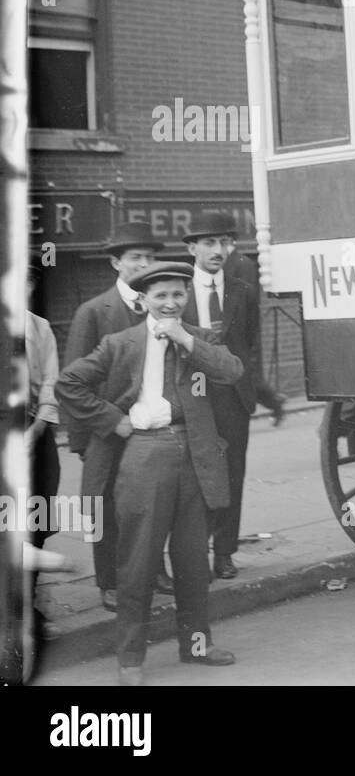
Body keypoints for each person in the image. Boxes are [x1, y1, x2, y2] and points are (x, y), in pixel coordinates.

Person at [56, 262, 243, 686]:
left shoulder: (201, 338)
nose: (171, 302)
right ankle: (131, 659)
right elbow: (69, 383)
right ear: (143, 301)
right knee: (137, 561)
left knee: (193, 560)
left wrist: (186, 339)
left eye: (178, 294)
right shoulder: (119, 343)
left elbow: (231, 371)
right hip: (144, 454)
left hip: (196, 456)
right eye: (161, 296)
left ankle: (196, 646)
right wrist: (111, 420)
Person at [61, 221, 171, 611]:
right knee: (103, 504)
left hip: (149, 429)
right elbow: (71, 380)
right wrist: (86, 438)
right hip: (107, 430)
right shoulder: (93, 312)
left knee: (151, 501)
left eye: (150, 256)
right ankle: (109, 582)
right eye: (135, 257)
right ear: (115, 263)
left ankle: (154, 570)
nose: (144, 263)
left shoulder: (160, 307)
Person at [181, 212, 261, 579]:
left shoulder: (242, 291)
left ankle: (224, 553)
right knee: (193, 478)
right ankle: (192, 554)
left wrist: (250, 388)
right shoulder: (178, 291)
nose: (219, 250)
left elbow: (250, 343)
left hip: (232, 398)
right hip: (193, 397)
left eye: (225, 242)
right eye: (210, 243)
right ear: (192, 247)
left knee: (232, 475)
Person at [25, 261, 64, 636]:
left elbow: (51, 383)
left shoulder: (40, 328)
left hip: (34, 435)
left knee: (36, 519)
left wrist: (37, 428)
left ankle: (28, 604)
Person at [224, 240, 287, 425]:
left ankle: (274, 402)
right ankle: (274, 402)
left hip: (242, 330)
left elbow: (246, 299)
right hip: (232, 331)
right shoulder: (230, 263)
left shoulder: (243, 263)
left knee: (247, 376)